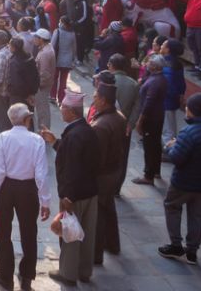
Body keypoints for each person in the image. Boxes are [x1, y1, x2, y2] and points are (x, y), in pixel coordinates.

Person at [0, 103, 50, 291]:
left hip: (6, 188)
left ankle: (6, 276)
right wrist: (45, 200)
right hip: (28, 189)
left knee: (4, 232)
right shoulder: (36, 140)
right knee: (29, 232)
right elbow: (41, 174)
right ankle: (27, 276)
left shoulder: (3, 138)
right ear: (26, 120)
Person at [40, 89, 100, 286]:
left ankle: (68, 273)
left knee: (71, 234)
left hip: (74, 195)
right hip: (91, 191)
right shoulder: (86, 130)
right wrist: (56, 142)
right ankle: (84, 271)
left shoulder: (74, 136)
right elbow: (75, 157)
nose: (61, 111)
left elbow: (72, 168)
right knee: (87, 234)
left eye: (63, 108)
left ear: (72, 112)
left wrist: (68, 197)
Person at [158, 93, 201, 266]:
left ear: (193, 111)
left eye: (187, 107)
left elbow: (177, 158)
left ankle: (176, 245)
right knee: (196, 215)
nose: (185, 109)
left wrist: (170, 146)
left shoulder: (188, 132)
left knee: (172, 207)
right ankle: (192, 251)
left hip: (184, 181)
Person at [89, 80, 126, 265]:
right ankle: (113, 244)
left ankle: (95, 255)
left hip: (103, 175)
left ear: (103, 100)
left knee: (98, 215)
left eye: (95, 97)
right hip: (115, 171)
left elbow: (97, 158)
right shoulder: (119, 117)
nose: (93, 99)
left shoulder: (101, 126)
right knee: (109, 208)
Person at [105, 54, 140, 193]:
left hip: (107, 124)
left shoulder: (108, 80)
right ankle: (117, 187)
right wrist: (130, 125)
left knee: (107, 154)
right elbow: (137, 107)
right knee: (122, 155)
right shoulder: (133, 84)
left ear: (112, 65)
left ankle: (107, 184)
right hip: (125, 125)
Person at [133, 55, 168, 186]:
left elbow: (149, 103)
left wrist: (140, 120)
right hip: (157, 116)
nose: (147, 64)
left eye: (149, 63)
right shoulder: (158, 78)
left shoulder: (155, 82)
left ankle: (148, 175)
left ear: (154, 66)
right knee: (155, 144)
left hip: (151, 118)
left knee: (149, 146)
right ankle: (156, 170)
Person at [161, 39, 186, 145]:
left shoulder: (167, 65)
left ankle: (169, 149)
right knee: (169, 125)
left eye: (163, 45)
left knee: (168, 128)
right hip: (171, 99)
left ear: (168, 49)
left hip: (166, 100)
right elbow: (181, 83)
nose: (161, 46)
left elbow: (169, 86)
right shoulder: (176, 63)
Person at [32, 28, 55, 132]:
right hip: (42, 84)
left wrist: (38, 85)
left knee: (42, 110)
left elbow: (44, 73)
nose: (34, 39)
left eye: (36, 37)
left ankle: (44, 131)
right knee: (42, 109)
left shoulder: (45, 53)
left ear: (41, 39)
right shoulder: (45, 48)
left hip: (42, 86)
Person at [50, 16, 76, 105]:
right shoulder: (72, 33)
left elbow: (52, 45)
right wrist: (73, 58)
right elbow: (74, 48)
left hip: (57, 59)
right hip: (67, 61)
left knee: (54, 79)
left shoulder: (57, 31)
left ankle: (53, 96)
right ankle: (61, 99)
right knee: (63, 81)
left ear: (63, 23)